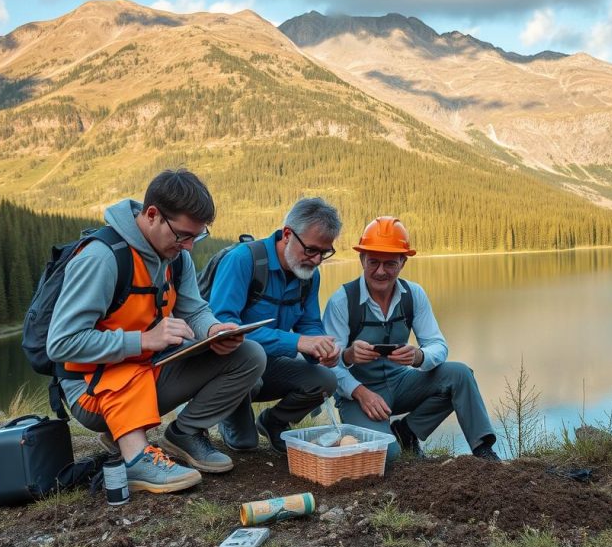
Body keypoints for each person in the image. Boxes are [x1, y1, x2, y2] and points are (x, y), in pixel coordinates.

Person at [46, 169, 266, 494]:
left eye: (197, 237)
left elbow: (194, 310)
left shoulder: (176, 258)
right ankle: (134, 455)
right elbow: (61, 344)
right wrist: (144, 340)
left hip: (143, 369)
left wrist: (214, 330)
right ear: (152, 215)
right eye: (183, 235)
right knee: (126, 369)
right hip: (91, 389)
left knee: (248, 355)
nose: (189, 246)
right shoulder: (102, 259)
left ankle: (184, 434)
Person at [323, 216, 500, 462]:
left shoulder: (413, 294)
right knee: (390, 457)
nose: (381, 271)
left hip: (401, 383)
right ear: (361, 259)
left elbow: (438, 345)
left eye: (390, 264)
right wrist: (359, 385)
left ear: (403, 262)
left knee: (460, 374)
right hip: (357, 394)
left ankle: (480, 449)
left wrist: (419, 356)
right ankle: (393, 442)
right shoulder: (342, 300)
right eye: (373, 262)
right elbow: (329, 366)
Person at [209, 197, 342, 453]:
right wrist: (298, 342)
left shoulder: (307, 275)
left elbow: (310, 322)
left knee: (325, 380)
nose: (316, 260)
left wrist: (321, 346)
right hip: (228, 368)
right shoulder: (242, 260)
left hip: (268, 365)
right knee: (245, 444)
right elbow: (224, 331)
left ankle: (273, 422)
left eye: (324, 253)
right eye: (311, 250)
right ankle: (227, 413)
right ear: (288, 234)